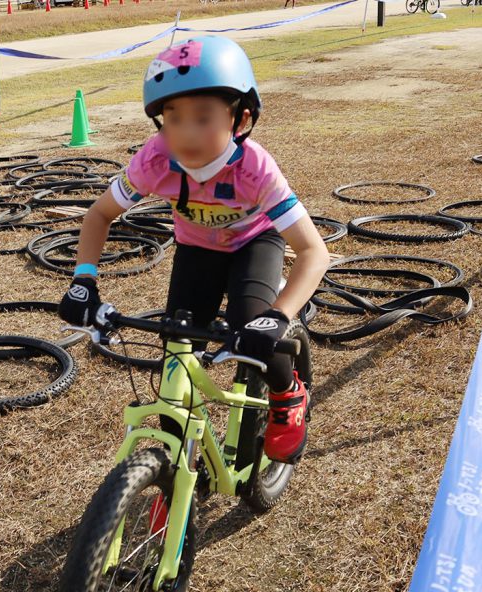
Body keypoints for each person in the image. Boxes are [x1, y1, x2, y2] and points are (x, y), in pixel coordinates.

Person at [58, 36, 330, 465]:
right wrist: (83, 280)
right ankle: (176, 472)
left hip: (253, 243)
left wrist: (279, 316)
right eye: (173, 117)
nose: (186, 133)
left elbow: (314, 252)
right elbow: (99, 215)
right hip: (196, 250)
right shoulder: (154, 159)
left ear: (241, 118)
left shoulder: (255, 167)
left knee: (253, 324)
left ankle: (287, 394)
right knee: (175, 360)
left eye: (203, 117)